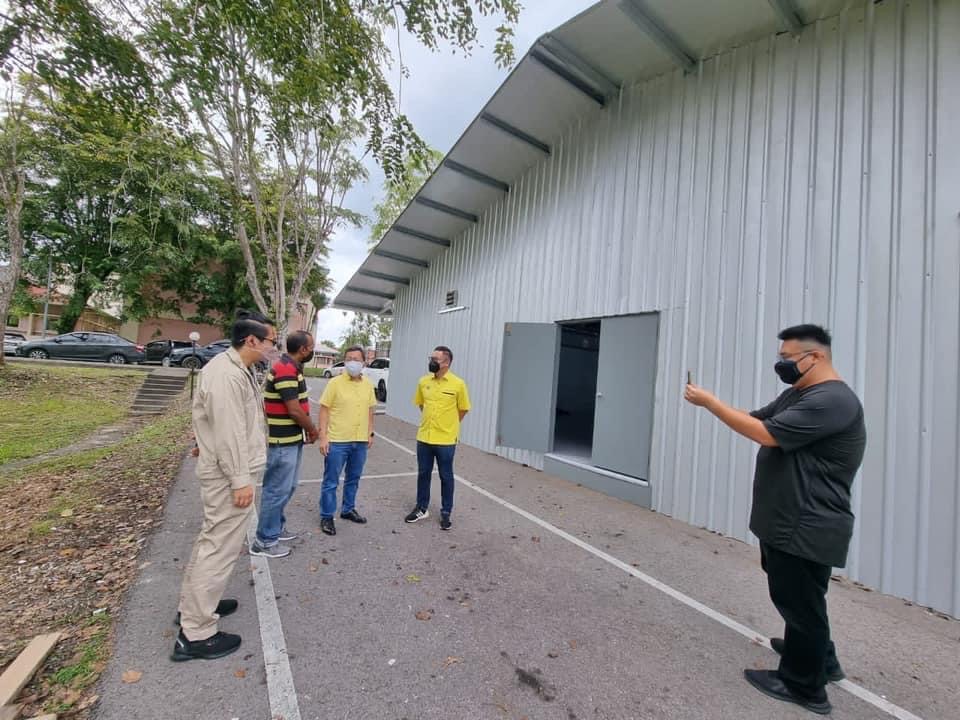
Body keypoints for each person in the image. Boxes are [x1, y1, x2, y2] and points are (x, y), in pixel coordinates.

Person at [684, 324, 866, 715]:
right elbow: (755, 420)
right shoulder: (798, 394)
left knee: (799, 603)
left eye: (787, 358)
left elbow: (766, 434)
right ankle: (821, 657)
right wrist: (714, 404)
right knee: (801, 598)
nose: (781, 364)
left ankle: (805, 686)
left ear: (815, 357)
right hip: (787, 519)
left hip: (807, 522)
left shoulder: (832, 400)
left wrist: (710, 403)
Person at [173, 310, 279, 662]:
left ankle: (194, 607)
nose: (273, 347)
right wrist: (239, 480)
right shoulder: (227, 374)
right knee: (218, 548)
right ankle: (196, 633)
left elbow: (214, 420)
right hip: (228, 475)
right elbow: (230, 432)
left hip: (225, 468)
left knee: (211, 541)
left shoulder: (236, 369)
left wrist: (204, 442)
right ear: (251, 340)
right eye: (271, 341)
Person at [250, 330, 319, 558]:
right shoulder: (285, 369)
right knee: (276, 490)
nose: (312, 350)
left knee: (287, 487)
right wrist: (312, 429)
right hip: (282, 442)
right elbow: (294, 410)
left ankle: (275, 527)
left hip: (291, 439)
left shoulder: (291, 367)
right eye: (311, 347)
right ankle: (265, 541)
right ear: (303, 349)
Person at [404, 345, 471, 531]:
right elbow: (421, 404)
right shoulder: (423, 381)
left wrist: (449, 424)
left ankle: (446, 512)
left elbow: (463, 409)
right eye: (431, 358)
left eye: (435, 359)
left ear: (446, 362)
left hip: (446, 440)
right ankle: (421, 508)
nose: (431, 362)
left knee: (446, 476)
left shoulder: (458, 384)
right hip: (424, 437)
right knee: (423, 474)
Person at [317, 345, 376, 536]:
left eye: (356, 359)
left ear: (363, 363)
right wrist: (323, 437)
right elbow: (324, 409)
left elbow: (370, 410)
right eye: (349, 358)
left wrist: (370, 433)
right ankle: (327, 515)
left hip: (360, 441)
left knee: (353, 478)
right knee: (331, 481)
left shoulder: (368, 384)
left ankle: (348, 509)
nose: (352, 362)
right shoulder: (335, 383)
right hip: (338, 440)